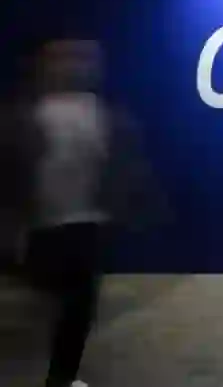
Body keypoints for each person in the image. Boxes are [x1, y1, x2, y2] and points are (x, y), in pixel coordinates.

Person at [0, 34, 166, 387]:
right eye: (64, 57)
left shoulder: (111, 119)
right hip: (35, 231)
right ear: (43, 65)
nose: (75, 65)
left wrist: (139, 212)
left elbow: (130, 172)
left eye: (84, 58)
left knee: (76, 308)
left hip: (86, 228)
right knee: (51, 306)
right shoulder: (19, 119)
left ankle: (61, 378)